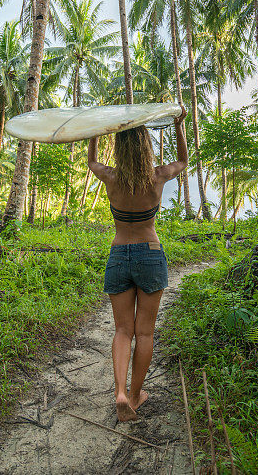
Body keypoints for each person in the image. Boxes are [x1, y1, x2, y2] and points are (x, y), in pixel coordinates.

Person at [87, 107, 188, 422]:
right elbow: (183, 161)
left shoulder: (111, 177)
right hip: (150, 252)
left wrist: (92, 130)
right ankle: (134, 395)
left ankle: (118, 391)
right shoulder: (157, 176)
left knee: (122, 329)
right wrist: (178, 125)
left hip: (119, 254)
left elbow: (91, 161)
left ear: (119, 148)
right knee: (144, 333)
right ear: (146, 147)